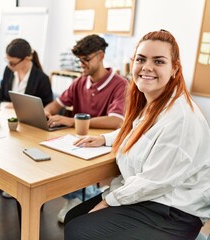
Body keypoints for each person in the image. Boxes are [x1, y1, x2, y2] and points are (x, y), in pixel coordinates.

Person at [64, 30, 210, 240]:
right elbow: (140, 132)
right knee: (72, 217)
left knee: (79, 230)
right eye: (141, 59)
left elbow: (154, 181)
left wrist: (107, 201)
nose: (147, 67)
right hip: (153, 198)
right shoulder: (154, 104)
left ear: (174, 68)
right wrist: (105, 139)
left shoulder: (182, 118)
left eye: (159, 61)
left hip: (173, 211)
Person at [44, 34, 128, 223]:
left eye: (86, 60)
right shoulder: (80, 82)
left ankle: (84, 195)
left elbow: (116, 121)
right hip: (79, 143)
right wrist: (46, 113)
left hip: (103, 145)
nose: (81, 64)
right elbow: (55, 105)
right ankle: (80, 196)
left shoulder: (120, 85)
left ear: (100, 56)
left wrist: (73, 121)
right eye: (79, 60)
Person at [0, 38, 53, 108]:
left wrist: (19, 106)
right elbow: (2, 92)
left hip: (28, 118)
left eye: (12, 63)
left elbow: (46, 107)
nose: (9, 66)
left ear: (27, 59)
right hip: (7, 115)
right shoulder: (8, 70)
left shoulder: (42, 79)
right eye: (8, 61)